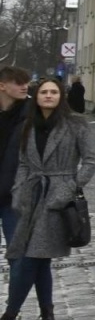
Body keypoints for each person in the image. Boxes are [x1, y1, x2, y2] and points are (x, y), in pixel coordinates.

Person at [1, 76, 95, 320]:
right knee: (38, 260)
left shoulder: (76, 123)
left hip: (56, 199)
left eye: (54, 92)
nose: (48, 96)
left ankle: (9, 315)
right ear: (38, 95)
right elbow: (22, 161)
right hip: (30, 196)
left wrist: (69, 188)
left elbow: (90, 162)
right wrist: (20, 190)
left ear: (61, 96)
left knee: (31, 257)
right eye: (44, 91)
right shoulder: (30, 126)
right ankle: (47, 316)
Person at [0, 68, 31, 255]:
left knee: (18, 254)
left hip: (15, 197)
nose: (25, 87)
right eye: (18, 83)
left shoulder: (32, 114)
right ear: (2, 86)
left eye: (26, 82)